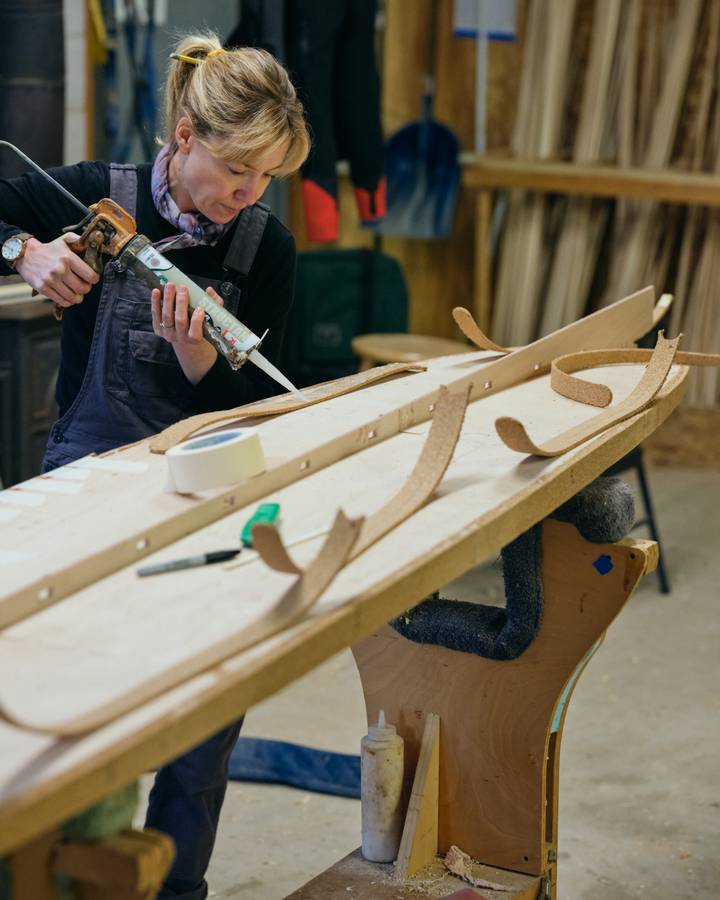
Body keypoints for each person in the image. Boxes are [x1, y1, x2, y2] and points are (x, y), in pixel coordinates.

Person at [0, 32, 310, 900]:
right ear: (183, 137)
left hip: (209, 496)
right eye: (236, 173)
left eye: (266, 180)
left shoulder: (265, 250)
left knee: (204, 722)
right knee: (67, 702)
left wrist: (202, 367)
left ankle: (177, 889)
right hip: (88, 484)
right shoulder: (99, 195)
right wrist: (23, 250)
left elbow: (268, 414)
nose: (248, 198)